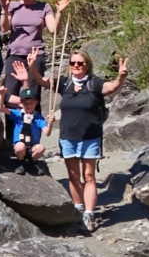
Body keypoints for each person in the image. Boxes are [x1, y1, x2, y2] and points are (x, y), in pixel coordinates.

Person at [30, 49, 128, 232]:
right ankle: (78, 208)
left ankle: (89, 213)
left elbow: (112, 88)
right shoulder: (64, 83)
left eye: (80, 63)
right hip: (68, 137)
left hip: (90, 136)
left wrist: (121, 77)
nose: (76, 66)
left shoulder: (94, 83)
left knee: (89, 176)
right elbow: (42, 81)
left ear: (87, 65)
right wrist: (33, 67)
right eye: (73, 63)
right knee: (73, 176)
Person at [0, 0, 71, 104]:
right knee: (10, 97)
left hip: (35, 57)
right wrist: (4, 9)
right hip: (15, 55)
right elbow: (4, 28)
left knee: (32, 96)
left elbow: (54, 30)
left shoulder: (43, 7)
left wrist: (59, 13)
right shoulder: (13, 6)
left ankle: (33, 128)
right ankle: (13, 128)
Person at [0, 75, 48, 175]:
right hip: (20, 145)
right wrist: (1, 95)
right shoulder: (17, 114)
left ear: (36, 103)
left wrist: (50, 123)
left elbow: (47, 132)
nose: (29, 105)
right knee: (20, 147)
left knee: (41, 148)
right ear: (20, 103)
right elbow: (1, 108)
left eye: (31, 103)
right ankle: (20, 162)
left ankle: (31, 162)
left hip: (33, 145)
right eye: (26, 103)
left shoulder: (38, 117)